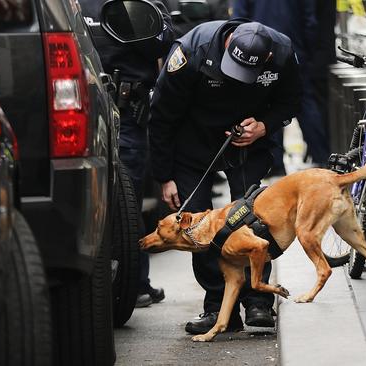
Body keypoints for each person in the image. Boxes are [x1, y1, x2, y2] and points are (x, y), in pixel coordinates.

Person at [149, 19, 302, 334]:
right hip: (192, 145)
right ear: (227, 43)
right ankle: (218, 307)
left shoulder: (283, 52)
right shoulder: (192, 52)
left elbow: (292, 101)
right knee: (198, 229)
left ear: (268, 59)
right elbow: (161, 116)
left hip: (249, 145)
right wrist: (165, 176)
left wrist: (264, 126)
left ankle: (258, 301)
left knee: (255, 223)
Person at [78, 0, 175, 307]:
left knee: (124, 197)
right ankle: (127, 284)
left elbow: (165, 41)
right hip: (87, 109)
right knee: (120, 197)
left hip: (123, 110)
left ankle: (134, 283)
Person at [233, 0, 329, 173]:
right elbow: (310, 20)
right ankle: (321, 157)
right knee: (305, 104)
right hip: (295, 47)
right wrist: (307, 51)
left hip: (257, 50)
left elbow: (239, 17)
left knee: (266, 105)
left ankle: (275, 163)